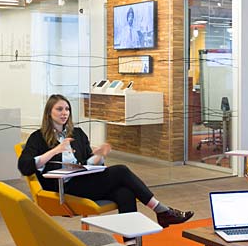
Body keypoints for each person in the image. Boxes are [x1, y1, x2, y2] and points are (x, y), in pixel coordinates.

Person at [18, 94, 194, 231]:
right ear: (49, 112)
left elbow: (87, 162)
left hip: (82, 181)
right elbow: (24, 166)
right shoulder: (38, 137)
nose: (64, 113)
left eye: (67, 109)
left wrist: (99, 156)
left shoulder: (77, 133)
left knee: (125, 193)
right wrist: (55, 151)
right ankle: (161, 210)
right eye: (59, 109)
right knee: (121, 171)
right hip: (62, 188)